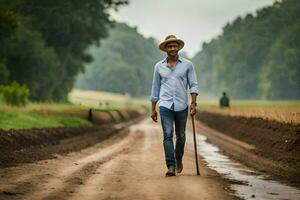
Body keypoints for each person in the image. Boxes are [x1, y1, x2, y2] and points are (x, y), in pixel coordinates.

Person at [150, 35, 199, 176]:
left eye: (174, 46)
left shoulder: (188, 65)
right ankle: (171, 166)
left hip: (182, 105)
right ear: (165, 49)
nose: (172, 48)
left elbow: (193, 84)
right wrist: (153, 109)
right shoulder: (159, 66)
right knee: (167, 135)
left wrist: (194, 103)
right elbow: (155, 88)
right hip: (165, 105)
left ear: (178, 47)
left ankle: (178, 158)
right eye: (169, 46)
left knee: (181, 136)